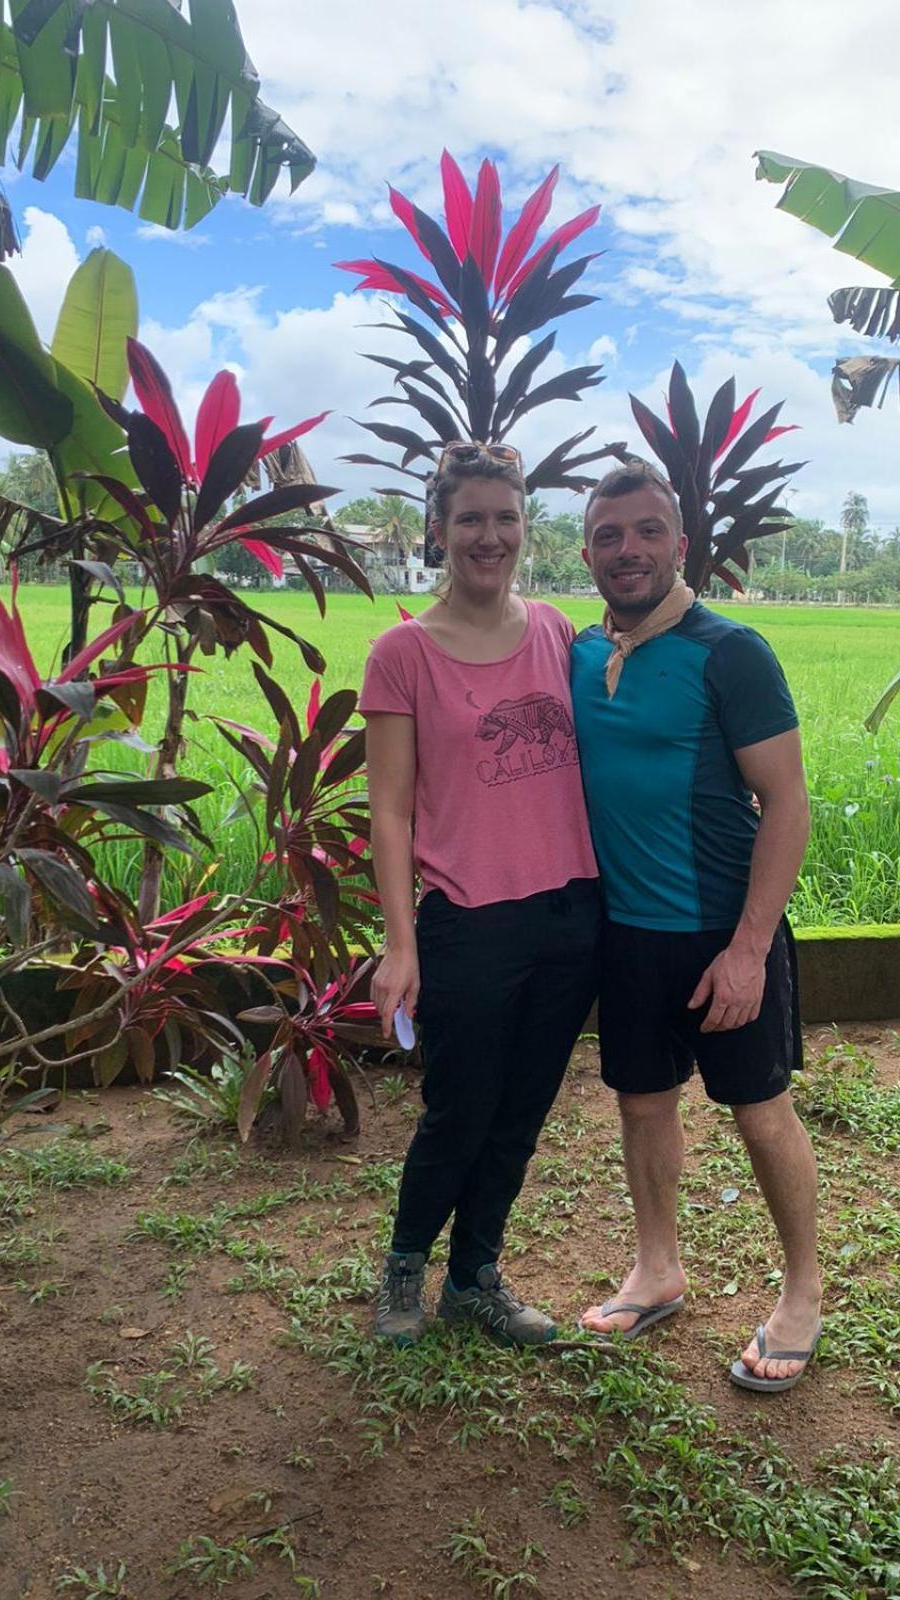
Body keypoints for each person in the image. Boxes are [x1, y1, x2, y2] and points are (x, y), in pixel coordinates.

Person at [570, 459, 821, 1391]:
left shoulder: (732, 652)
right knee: (643, 1104)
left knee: (760, 1114)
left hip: (724, 932)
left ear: (679, 544)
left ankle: (801, 1292)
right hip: (627, 934)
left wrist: (750, 948)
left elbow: (787, 803)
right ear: (588, 552)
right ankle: (658, 1267)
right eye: (607, 535)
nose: (626, 550)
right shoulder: (581, 655)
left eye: (644, 532)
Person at [360, 441, 600, 1348]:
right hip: (467, 920)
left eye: (505, 518)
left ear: (524, 528)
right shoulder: (403, 653)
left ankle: (476, 1276)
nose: (489, 536)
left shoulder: (557, 632)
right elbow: (388, 813)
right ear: (440, 529)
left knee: (522, 1111)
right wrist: (401, 942)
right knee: (459, 1111)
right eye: (471, 519)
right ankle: (405, 1267)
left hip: (572, 915)